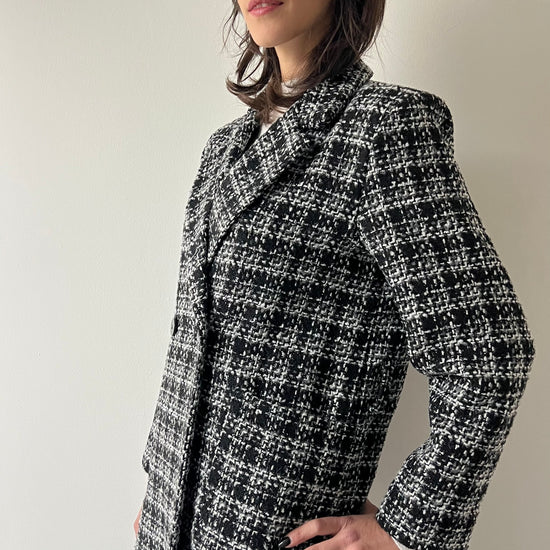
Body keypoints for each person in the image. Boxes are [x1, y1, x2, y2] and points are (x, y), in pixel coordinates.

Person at [134, 1, 536, 549]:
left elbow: (489, 356)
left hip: (278, 532)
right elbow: (193, 341)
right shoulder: (222, 151)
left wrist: (405, 530)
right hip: (170, 523)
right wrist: (163, 485)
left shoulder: (384, 129)